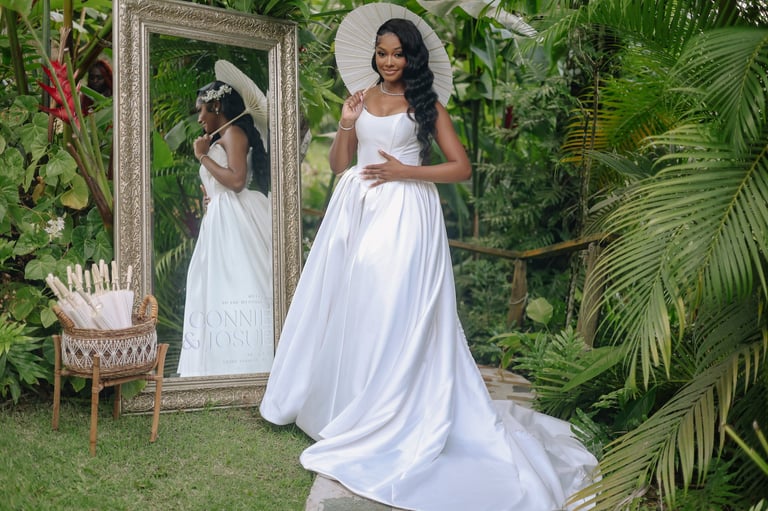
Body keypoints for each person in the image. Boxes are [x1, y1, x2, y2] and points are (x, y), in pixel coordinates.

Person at [259, 12, 598, 511]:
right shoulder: (359, 100)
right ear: (373, 54)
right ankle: (349, 405)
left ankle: (396, 408)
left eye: (397, 53)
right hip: (355, 210)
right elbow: (338, 166)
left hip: (404, 212)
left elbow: (460, 167)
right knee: (354, 306)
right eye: (382, 52)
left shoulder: (427, 105)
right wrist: (348, 126)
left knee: (394, 305)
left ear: (411, 57)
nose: (389, 61)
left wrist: (404, 171)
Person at [176, 61, 274, 377]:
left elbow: (236, 180)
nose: (200, 117)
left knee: (240, 283)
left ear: (216, 105)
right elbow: (223, 183)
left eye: (202, 110)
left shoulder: (233, 131)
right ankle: (219, 362)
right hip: (219, 219)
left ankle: (252, 360)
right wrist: (211, 192)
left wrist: (203, 156)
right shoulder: (224, 134)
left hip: (234, 221)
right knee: (215, 286)